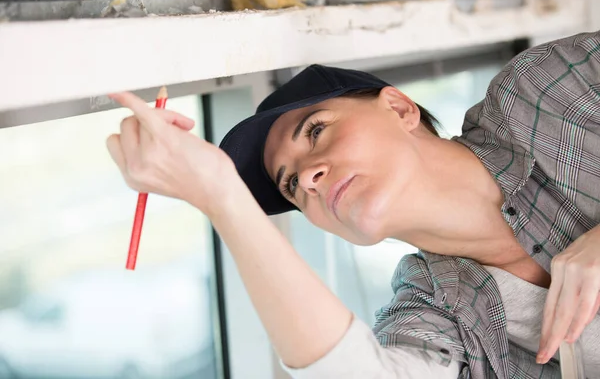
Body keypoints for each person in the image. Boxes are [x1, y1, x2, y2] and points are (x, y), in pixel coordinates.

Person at [106, 31, 600, 378]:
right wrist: (222, 199)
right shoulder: (432, 309)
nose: (309, 177)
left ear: (399, 108)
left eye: (317, 131)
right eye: (292, 187)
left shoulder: (545, 93)